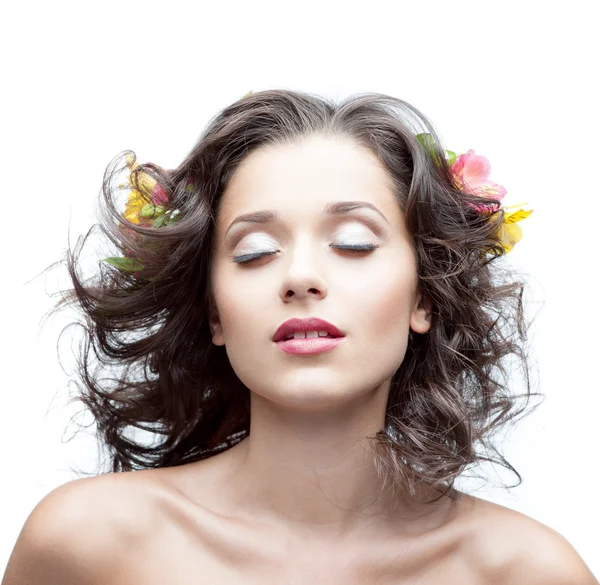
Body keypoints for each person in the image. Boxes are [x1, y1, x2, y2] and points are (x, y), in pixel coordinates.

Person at [3, 90, 597, 584]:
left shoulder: (526, 573)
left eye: (354, 243)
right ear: (214, 312)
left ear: (424, 297)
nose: (302, 277)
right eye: (255, 252)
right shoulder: (86, 546)